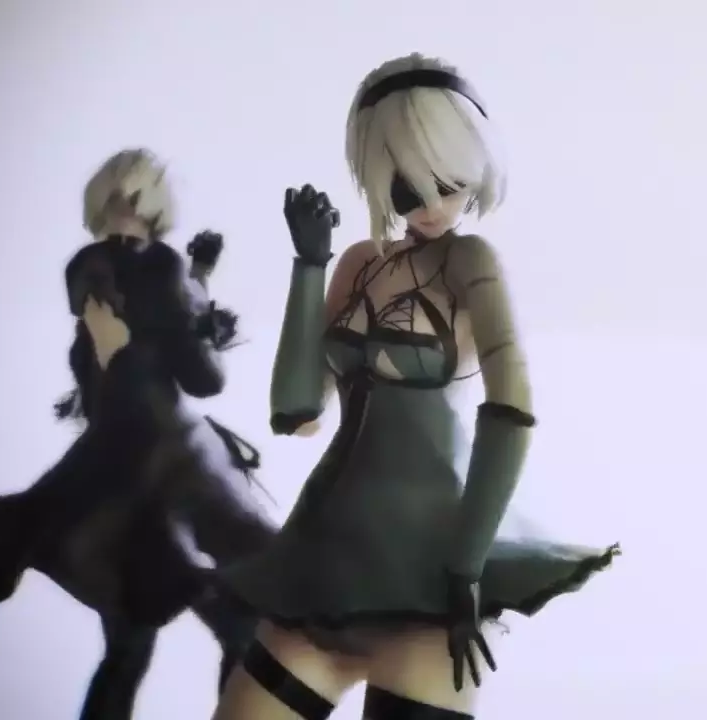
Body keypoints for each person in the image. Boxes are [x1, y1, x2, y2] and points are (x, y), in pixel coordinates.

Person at [211, 53, 619, 720]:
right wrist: (309, 264)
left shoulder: (470, 262)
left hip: (430, 586)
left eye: (449, 183)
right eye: (407, 186)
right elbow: (296, 412)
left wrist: (466, 568)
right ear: (377, 177)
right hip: (324, 566)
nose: (431, 205)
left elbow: (511, 409)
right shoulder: (361, 263)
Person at [0, 149, 277, 720]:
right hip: (161, 463)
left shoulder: (111, 273)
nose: (123, 214)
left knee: (139, 642)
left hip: (128, 468)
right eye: (119, 199)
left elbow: (142, 352)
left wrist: (197, 291)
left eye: (129, 199)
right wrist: (195, 315)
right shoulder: (140, 270)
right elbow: (197, 375)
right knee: (227, 625)